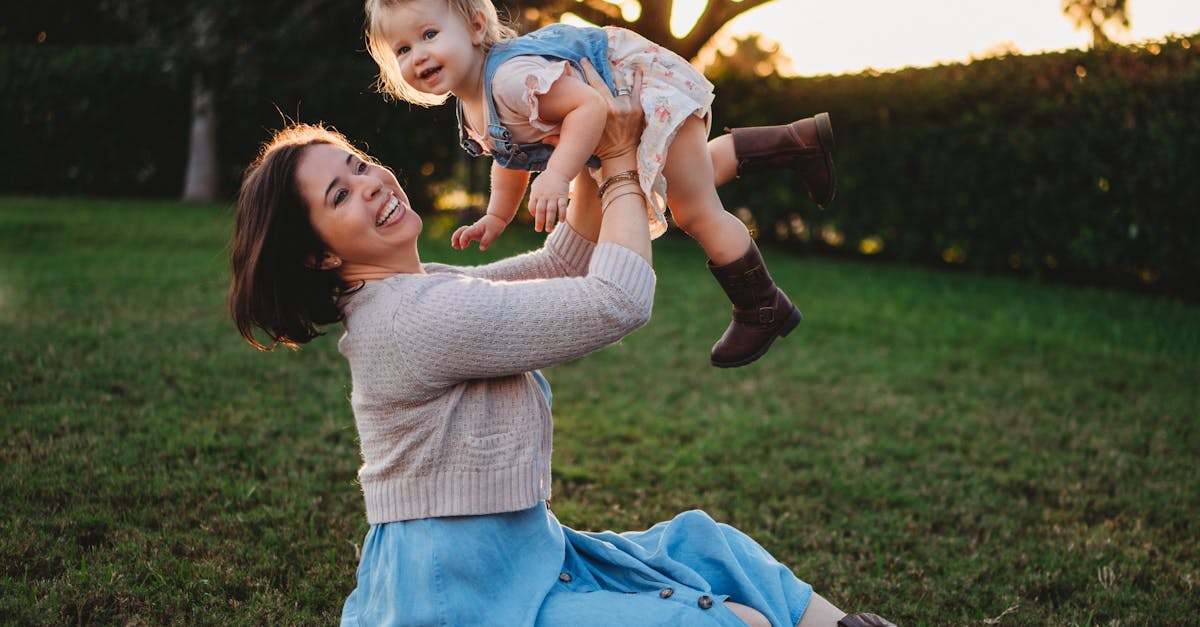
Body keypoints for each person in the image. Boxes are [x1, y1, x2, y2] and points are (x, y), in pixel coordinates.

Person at [229, 59, 891, 627]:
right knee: (722, 621)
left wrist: (582, 152)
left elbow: (562, 262)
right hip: (464, 600)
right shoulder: (412, 318)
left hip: (529, 559)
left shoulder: (415, 293)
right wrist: (623, 167)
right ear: (318, 256)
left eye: (359, 164)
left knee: (705, 544)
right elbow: (615, 299)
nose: (371, 182)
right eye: (340, 194)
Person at [363, 0, 837, 368]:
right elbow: (507, 157)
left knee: (693, 208)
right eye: (403, 49)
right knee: (679, 180)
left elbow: (589, 108)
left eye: (429, 34)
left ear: (474, 27)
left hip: (637, 87)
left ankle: (761, 305)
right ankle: (796, 142)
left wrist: (557, 175)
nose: (418, 54)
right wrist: (497, 214)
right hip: (626, 94)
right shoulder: (475, 105)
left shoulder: (510, 78)